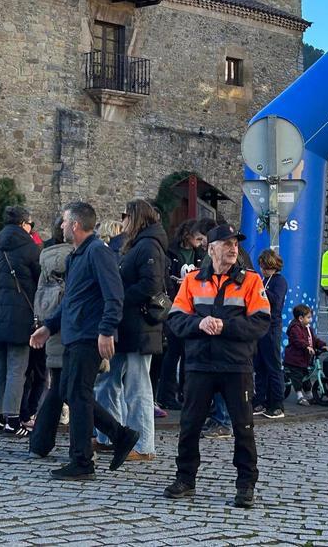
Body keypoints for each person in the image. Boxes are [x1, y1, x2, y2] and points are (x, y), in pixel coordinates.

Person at [29, 202, 138, 481]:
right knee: (70, 392)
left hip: (89, 335)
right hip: (74, 334)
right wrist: (49, 327)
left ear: (75, 225)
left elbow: (114, 295)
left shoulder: (98, 252)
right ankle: (121, 435)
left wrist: (106, 330)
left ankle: (82, 461)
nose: (62, 225)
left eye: (65, 221)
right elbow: (71, 300)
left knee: (78, 394)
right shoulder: (76, 256)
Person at [164, 224, 271, 509]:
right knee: (190, 425)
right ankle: (185, 478)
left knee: (243, 427)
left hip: (236, 365)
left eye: (235, 243)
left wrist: (226, 326)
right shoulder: (192, 281)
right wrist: (199, 323)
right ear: (211, 249)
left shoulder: (251, 280)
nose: (233, 248)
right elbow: (175, 319)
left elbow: (261, 322)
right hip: (199, 364)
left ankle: (246, 484)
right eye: (226, 243)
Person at [95, 199, 167, 461]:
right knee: (108, 381)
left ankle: (144, 444)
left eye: (125, 215)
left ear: (135, 217)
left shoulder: (148, 245)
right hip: (126, 325)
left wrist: (120, 297)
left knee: (137, 386)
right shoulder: (137, 244)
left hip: (140, 326)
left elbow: (151, 284)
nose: (122, 219)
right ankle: (111, 436)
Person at [0, 205, 41, 435]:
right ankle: (12, 420)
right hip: (19, 316)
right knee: (17, 368)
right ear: (24, 224)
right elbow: (40, 278)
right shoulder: (30, 247)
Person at [28, 217, 74, 456]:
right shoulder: (75, 257)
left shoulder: (45, 257)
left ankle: (40, 443)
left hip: (50, 325)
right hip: (71, 330)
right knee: (73, 390)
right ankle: (112, 432)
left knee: (58, 387)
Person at [158, 220, 207, 410]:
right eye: (198, 238)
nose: (200, 242)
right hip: (176, 306)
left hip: (194, 308)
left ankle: (185, 393)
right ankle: (166, 395)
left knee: (188, 353)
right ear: (187, 234)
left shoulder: (200, 254)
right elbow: (165, 278)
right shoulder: (171, 252)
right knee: (172, 353)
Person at [252, 249, 288, 419]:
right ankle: (260, 400)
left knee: (273, 366)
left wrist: (261, 290)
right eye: (262, 267)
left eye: (265, 267)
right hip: (260, 326)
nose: (263, 270)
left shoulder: (279, 281)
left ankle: (277, 404)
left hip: (272, 326)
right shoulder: (264, 280)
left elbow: (276, 301)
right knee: (260, 366)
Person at [283, 304, 325, 405]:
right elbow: (298, 340)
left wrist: (322, 345)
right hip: (294, 359)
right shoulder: (295, 328)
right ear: (301, 318)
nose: (310, 320)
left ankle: (310, 395)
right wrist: (307, 346)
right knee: (297, 377)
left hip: (304, 359)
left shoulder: (308, 328)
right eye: (308, 317)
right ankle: (299, 396)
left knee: (306, 377)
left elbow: (314, 339)